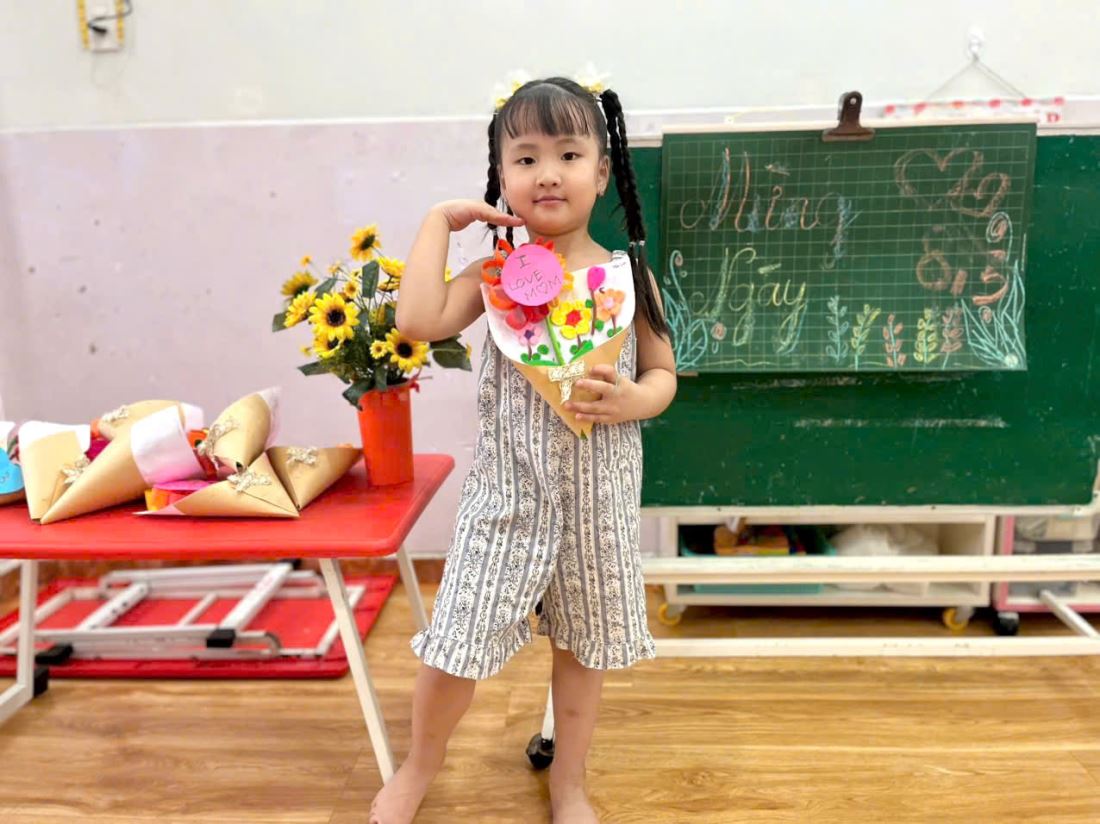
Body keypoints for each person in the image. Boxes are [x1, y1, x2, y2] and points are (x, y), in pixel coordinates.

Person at [379, 77, 677, 824]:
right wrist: (438, 223)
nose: (548, 172)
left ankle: (568, 782)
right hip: (506, 498)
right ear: (502, 175)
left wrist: (635, 400)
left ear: (601, 173)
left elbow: (665, 374)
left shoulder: (629, 276)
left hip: (598, 503)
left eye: (569, 154)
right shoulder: (494, 277)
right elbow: (416, 319)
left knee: (582, 650)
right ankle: (418, 766)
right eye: (526, 157)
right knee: (457, 640)